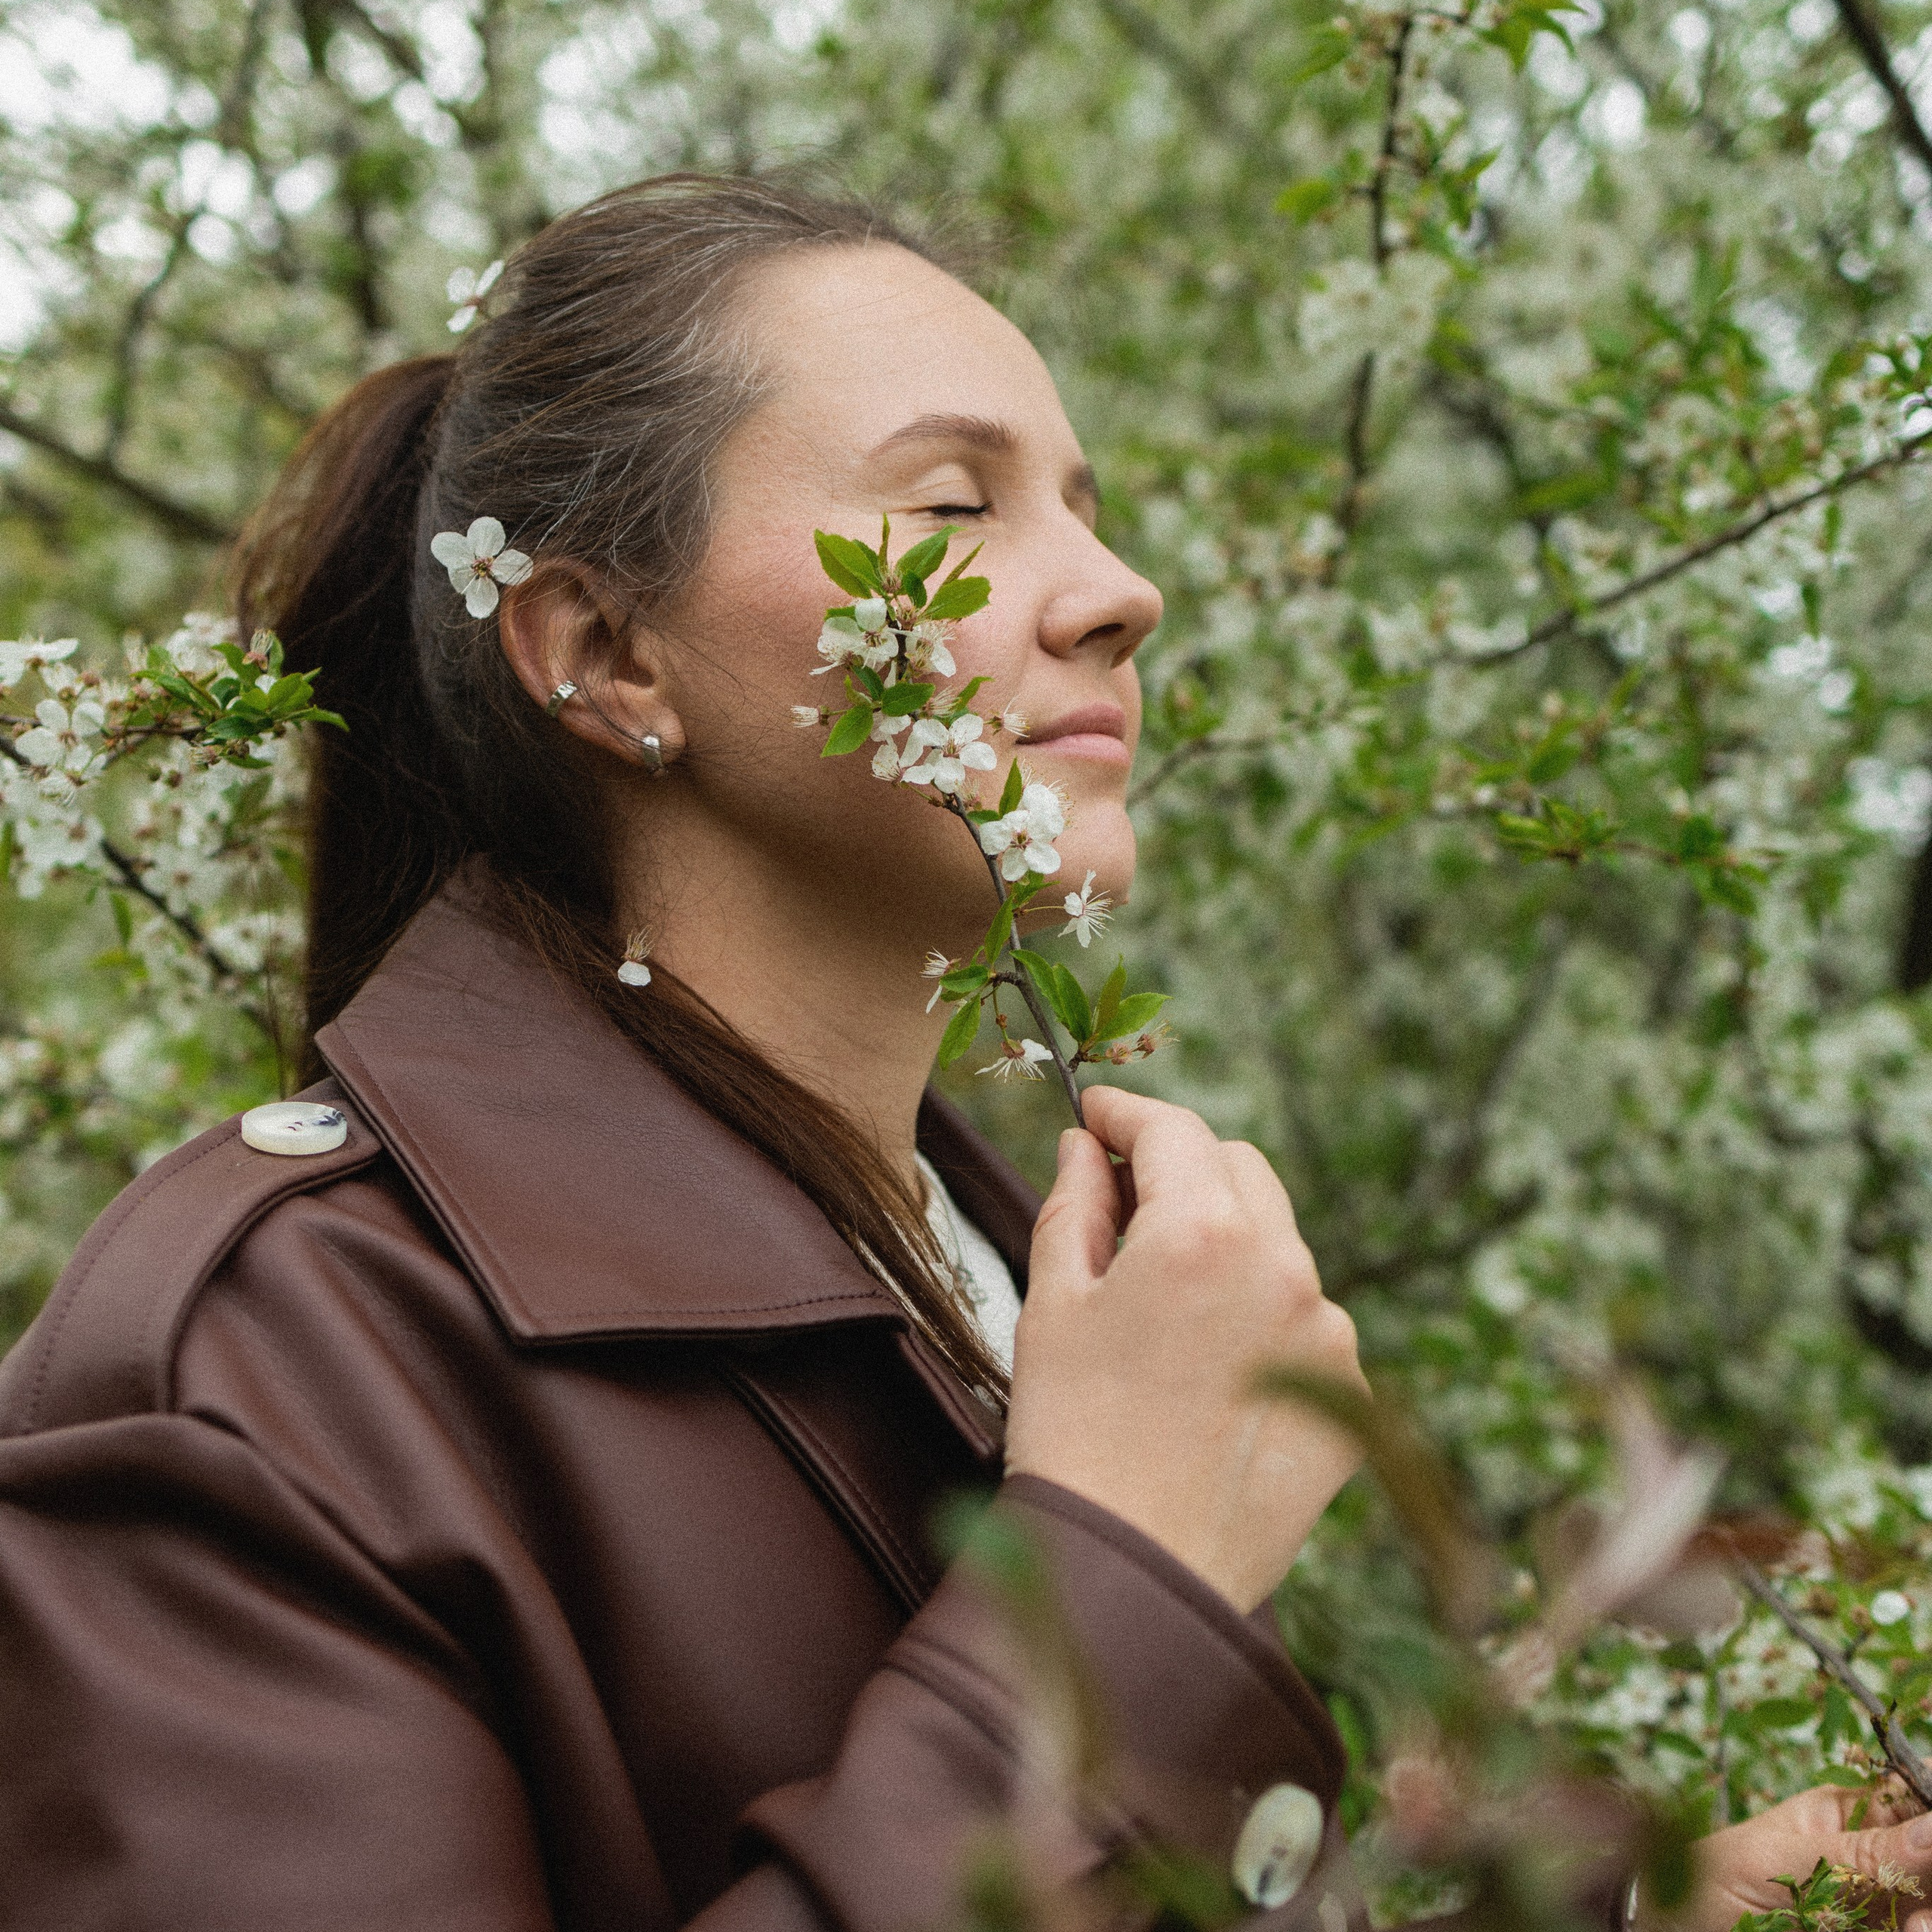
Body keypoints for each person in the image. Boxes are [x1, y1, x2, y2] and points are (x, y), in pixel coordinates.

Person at [0, 172, 1924, 1932]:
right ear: (603, 650)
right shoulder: (268, 1365)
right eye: (952, 509)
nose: (1115, 590)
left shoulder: (999, 1268)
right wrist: (1099, 1593)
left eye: (1081, 505)